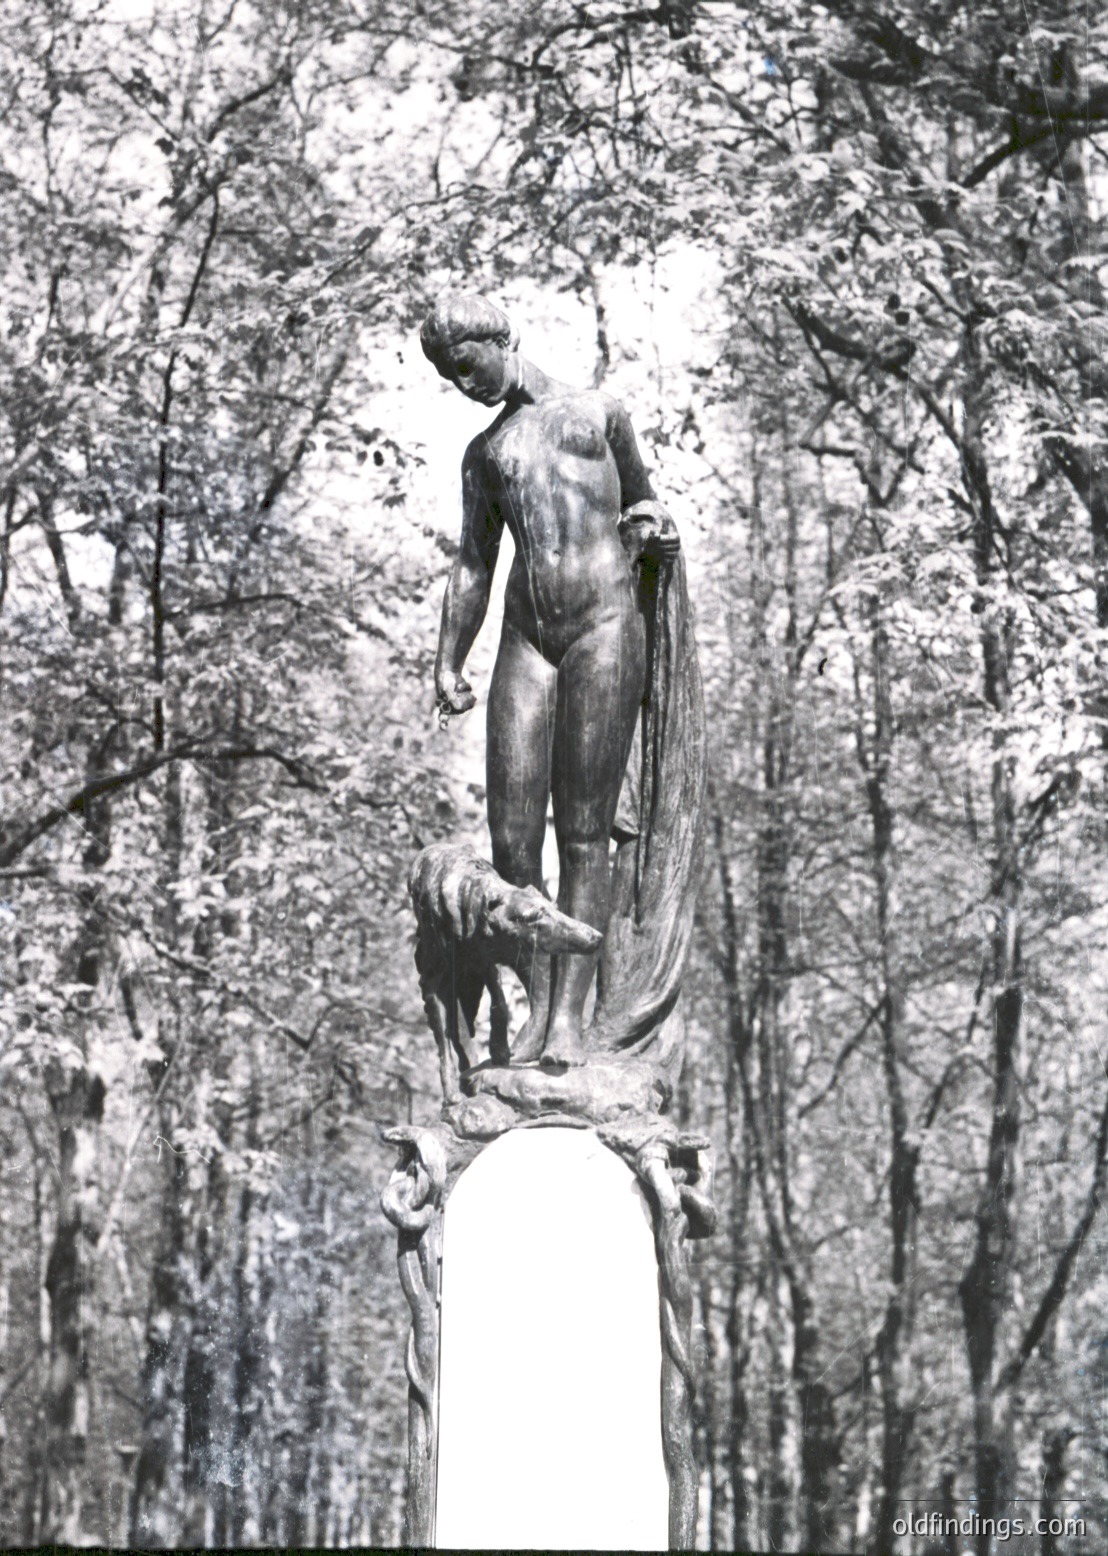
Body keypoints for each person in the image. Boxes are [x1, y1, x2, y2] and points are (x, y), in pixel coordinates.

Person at [421, 294, 680, 1067]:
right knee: (511, 838)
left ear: (504, 340)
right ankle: (533, 1008)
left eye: (468, 368)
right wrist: (447, 658)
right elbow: (473, 562)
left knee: (585, 833)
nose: (464, 386)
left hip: (603, 627)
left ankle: (568, 1019)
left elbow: (647, 500)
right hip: (526, 639)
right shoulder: (484, 453)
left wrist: (656, 527)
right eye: (449, 379)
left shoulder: (599, 412)